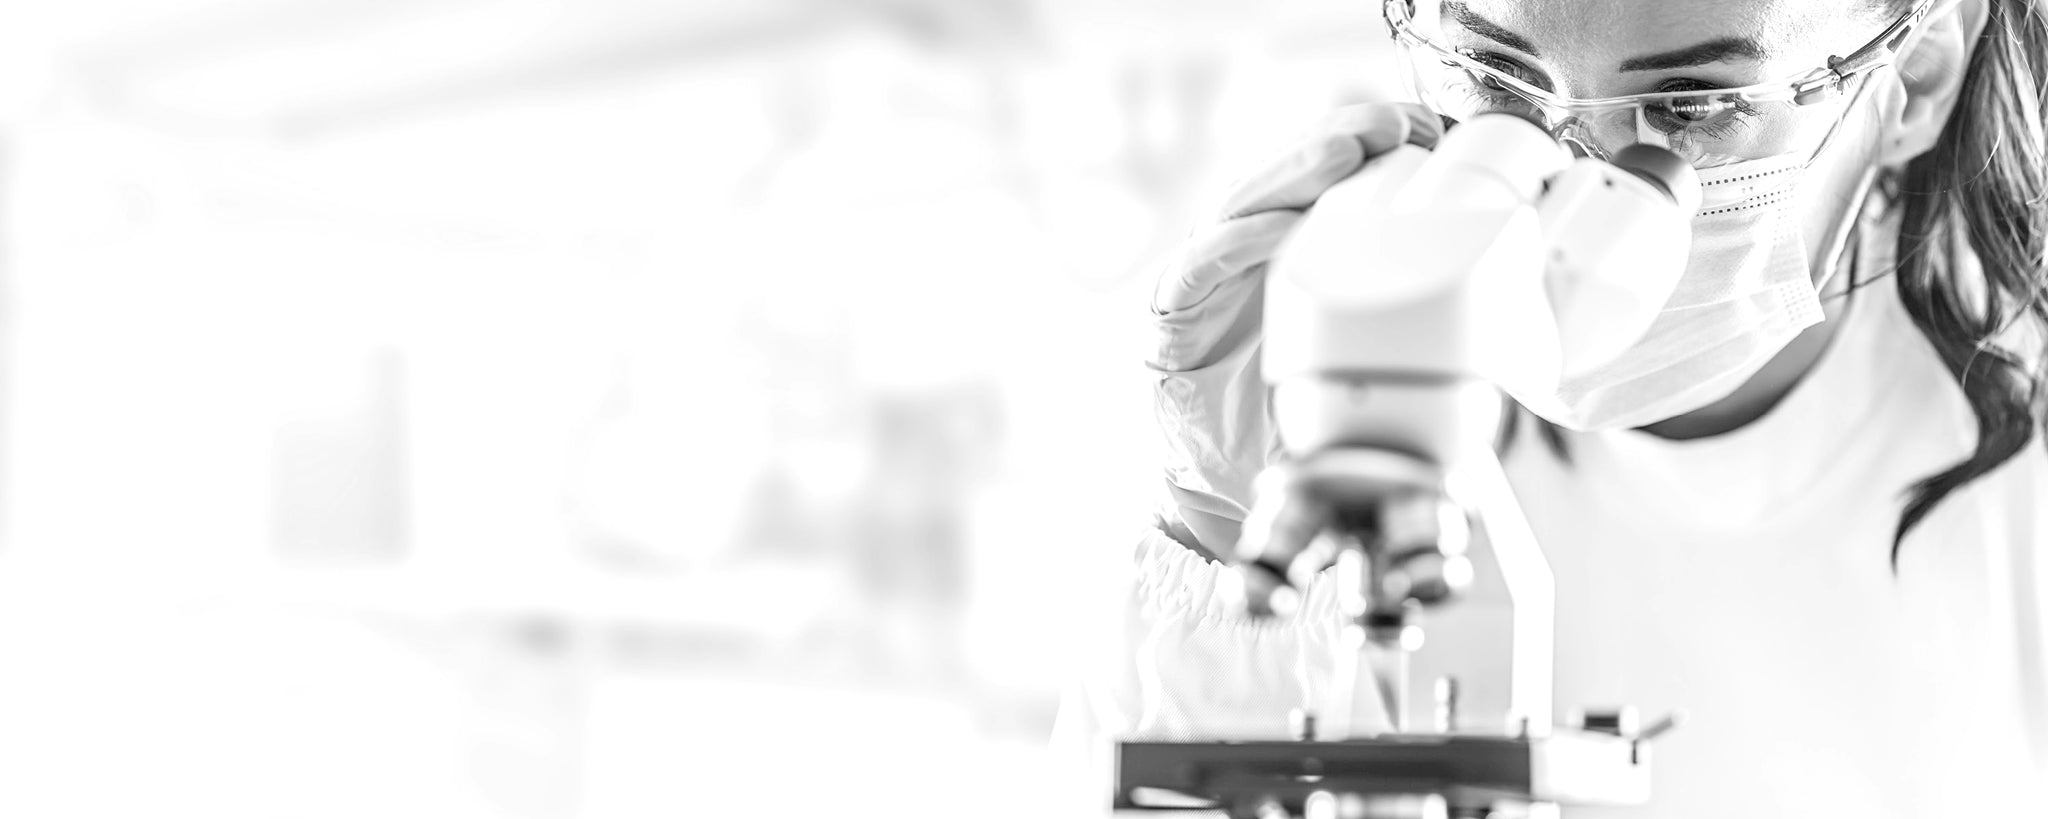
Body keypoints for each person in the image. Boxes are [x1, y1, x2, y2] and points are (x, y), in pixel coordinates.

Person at [1052, 0, 2048, 814]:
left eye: (1690, 108)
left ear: (1910, 76)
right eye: (1497, 88)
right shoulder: (1300, 377)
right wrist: (1219, 545)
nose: (1570, 179)